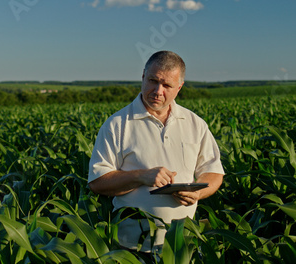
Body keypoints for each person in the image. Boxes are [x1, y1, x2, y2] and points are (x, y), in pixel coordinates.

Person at [88, 50, 224, 254]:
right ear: (143, 77)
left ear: (179, 87)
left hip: (182, 247)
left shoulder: (195, 124)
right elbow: (97, 182)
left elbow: (213, 172)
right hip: (131, 248)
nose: (158, 91)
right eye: (153, 80)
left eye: (167, 85)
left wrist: (198, 192)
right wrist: (142, 176)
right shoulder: (117, 124)